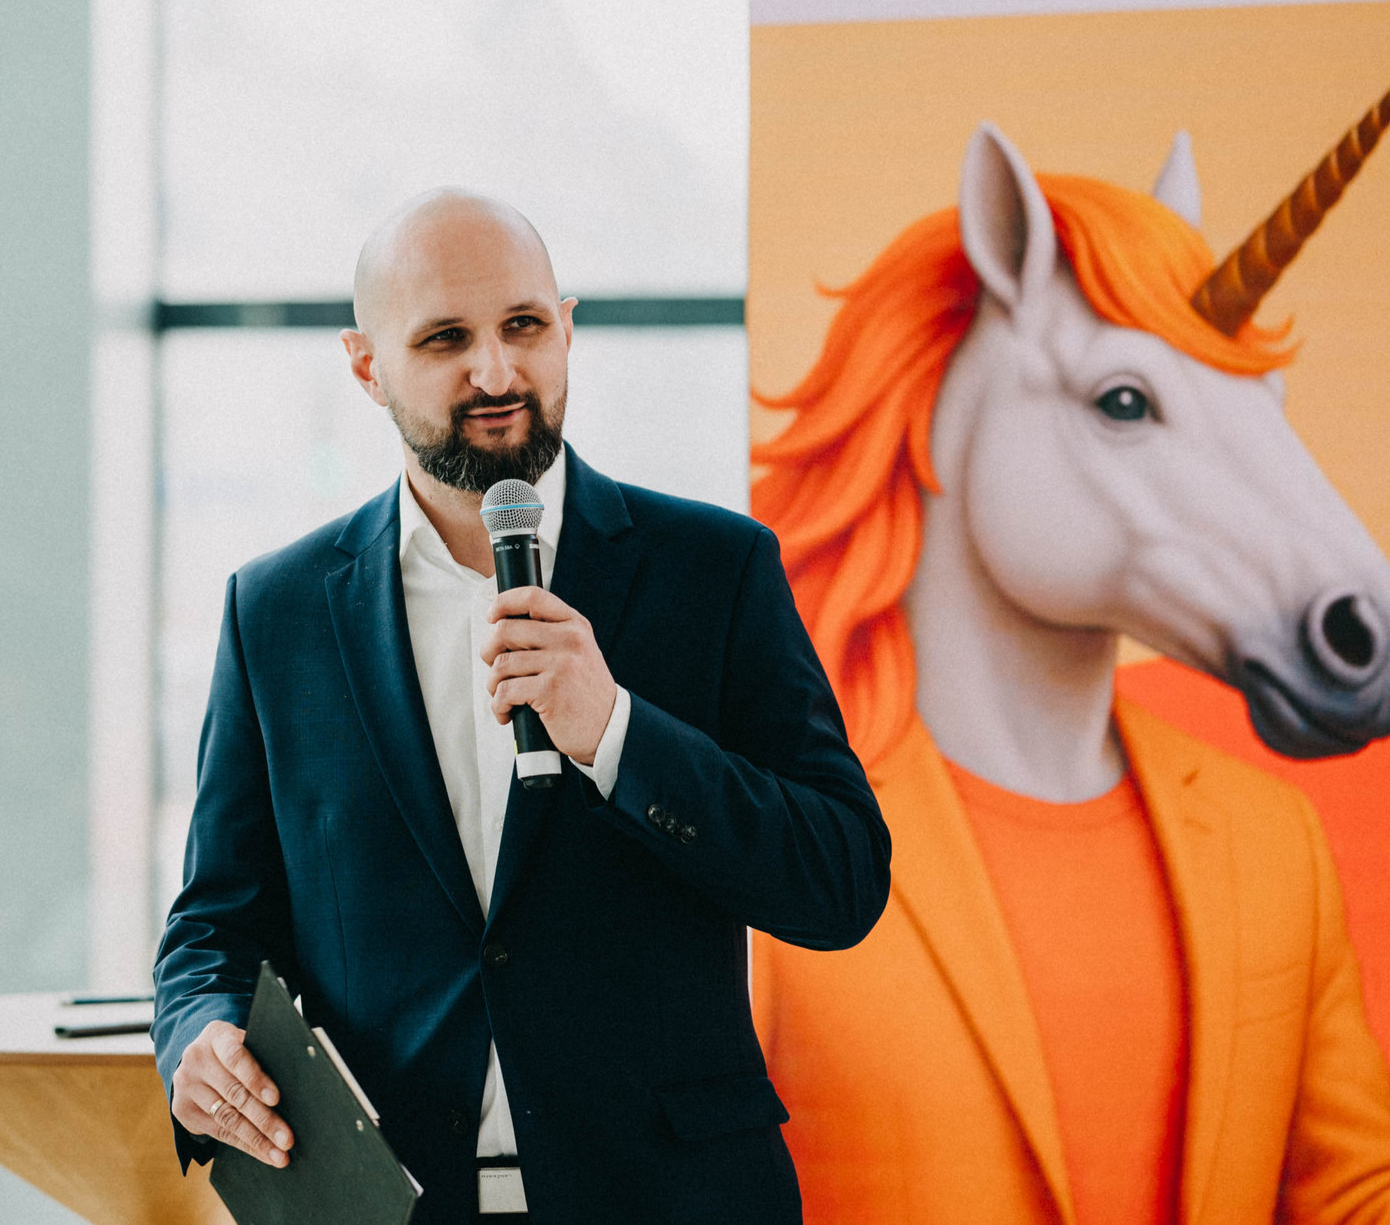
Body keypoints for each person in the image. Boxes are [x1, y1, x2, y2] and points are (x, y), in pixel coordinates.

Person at [151, 188, 891, 1225]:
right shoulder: (277, 612)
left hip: (670, 1198)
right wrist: (199, 1032)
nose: (496, 373)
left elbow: (841, 879)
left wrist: (617, 732)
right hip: (391, 1204)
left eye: (524, 326)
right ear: (365, 365)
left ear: (567, 327)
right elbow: (215, 923)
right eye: (446, 339)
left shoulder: (713, 571)